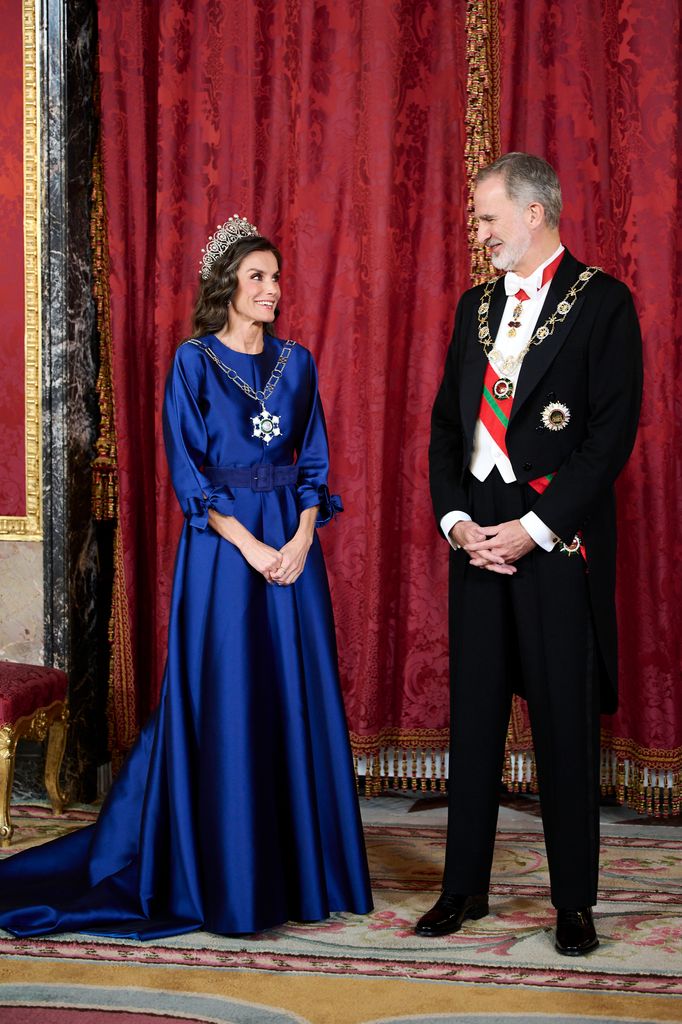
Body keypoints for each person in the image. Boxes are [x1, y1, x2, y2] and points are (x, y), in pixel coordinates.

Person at [0, 216, 372, 937]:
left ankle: (303, 873)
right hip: (224, 556)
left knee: (294, 697)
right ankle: (224, 872)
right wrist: (254, 549)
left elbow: (314, 464)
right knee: (228, 696)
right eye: (257, 276)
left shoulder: (298, 362)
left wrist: (297, 540)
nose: (272, 288)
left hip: (292, 552)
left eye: (275, 276)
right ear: (227, 286)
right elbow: (191, 478)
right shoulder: (194, 363)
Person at [418, 154, 642, 955]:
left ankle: (573, 903)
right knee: (475, 718)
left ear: (535, 213)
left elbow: (608, 440)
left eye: (487, 218)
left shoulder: (604, 303)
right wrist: (455, 521)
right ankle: (463, 889)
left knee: (562, 725)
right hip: (477, 535)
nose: (478, 235)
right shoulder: (473, 308)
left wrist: (536, 527)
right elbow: (449, 428)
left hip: (554, 540)